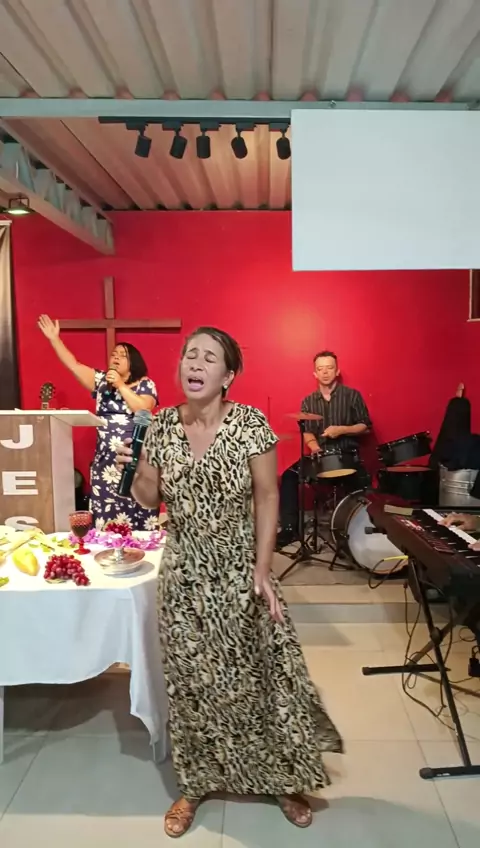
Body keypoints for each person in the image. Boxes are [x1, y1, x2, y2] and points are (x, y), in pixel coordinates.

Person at [115, 326, 343, 838]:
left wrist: (263, 569)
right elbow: (149, 498)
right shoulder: (160, 425)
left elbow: (267, 497)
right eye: (189, 355)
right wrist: (138, 471)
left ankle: (283, 780)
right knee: (191, 684)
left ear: (228, 375)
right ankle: (195, 784)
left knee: (262, 676)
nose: (195, 364)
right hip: (183, 574)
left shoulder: (251, 425)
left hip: (241, 568)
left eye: (208, 357)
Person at [37, 314, 159, 531]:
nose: (116, 358)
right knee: (107, 515)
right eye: (114, 354)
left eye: (122, 355)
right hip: (105, 463)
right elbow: (73, 365)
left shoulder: (145, 384)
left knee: (137, 510)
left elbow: (143, 408)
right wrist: (54, 339)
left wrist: (120, 385)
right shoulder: (101, 382)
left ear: (134, 362)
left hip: (134, 461)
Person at [277, 350, 372, 548]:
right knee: (289, 476)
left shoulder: (352, 396)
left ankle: (354, 532)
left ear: (337, 371)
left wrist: (342, 430)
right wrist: (314, 447)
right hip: (319, 456)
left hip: (347, 456)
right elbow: (308, 432)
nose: (325, 372)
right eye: (320, 369)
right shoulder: (309, 401)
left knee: (362, 485)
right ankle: (290, 529)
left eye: (329, 368)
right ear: (315, 373)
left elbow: (365, 426)